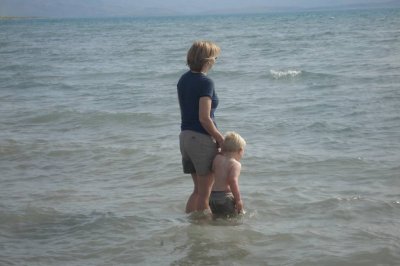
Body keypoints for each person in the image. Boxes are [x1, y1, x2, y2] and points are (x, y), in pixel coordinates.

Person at [177, 40, 224, 214]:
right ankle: (203, 230)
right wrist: (220, 138)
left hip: (185, 137)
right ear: (208, 60)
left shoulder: (183, 79)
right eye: (215, 58)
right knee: (206, 193)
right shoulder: (206, 83)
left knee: (197, 190)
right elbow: (204, 118)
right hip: (201, 139)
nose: (215, 61)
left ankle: (190, 224)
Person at [209, 131, 246, 216]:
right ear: (240, 150)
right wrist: (238, 200)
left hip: (212, 197)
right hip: (225, 198)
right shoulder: (235, 164)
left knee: (216, 218)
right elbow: (232, 181)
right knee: (232, 221)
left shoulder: (217, 158)